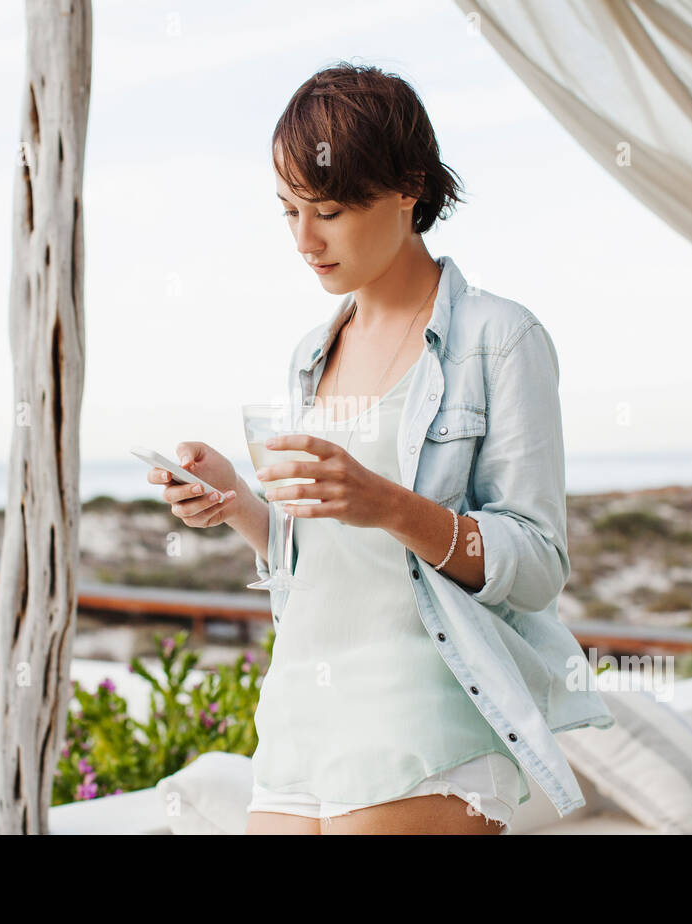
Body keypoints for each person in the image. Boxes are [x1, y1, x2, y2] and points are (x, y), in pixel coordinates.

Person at [146, 62, 609, 834]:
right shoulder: (311, 353)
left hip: (427, 711)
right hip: (300, 714)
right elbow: (322, 559)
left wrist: (390, 504)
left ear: (408, 188)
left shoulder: (500, 338)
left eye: (326, 209)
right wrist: (239, 506)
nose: (303, 238)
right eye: (288, 210)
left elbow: (536, 565)